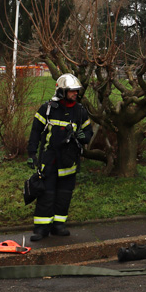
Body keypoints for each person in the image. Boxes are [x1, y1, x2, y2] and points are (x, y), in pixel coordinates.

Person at [26, 74, 93, 241]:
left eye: (76, 91)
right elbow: (35, 132)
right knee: (46, 195)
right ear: (62, 91)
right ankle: (41, 229)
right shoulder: (47, 109)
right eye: (72, 91)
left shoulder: (80, 111)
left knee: (64, 195)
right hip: (49, 161)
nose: (75, 94)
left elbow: (89, 134)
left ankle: (58, 225)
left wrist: (82, 135)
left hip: (69, 162)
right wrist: (31, 153)